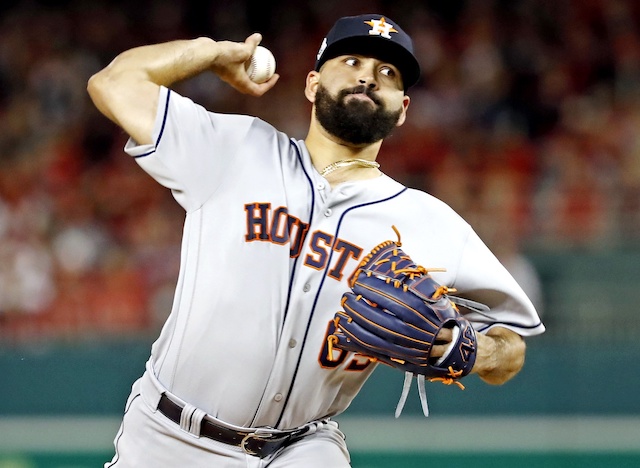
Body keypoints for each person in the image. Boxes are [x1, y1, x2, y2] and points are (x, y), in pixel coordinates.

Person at [88, 14, 544, 467]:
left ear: (402, 109)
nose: (368, 75)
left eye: (388, 73)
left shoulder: (430, 223)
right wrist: (210, 53)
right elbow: (113, 84)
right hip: (169, 438)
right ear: (311, 84)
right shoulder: (233, 149)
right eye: (351, 61)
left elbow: (514, 348)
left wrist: (471, 349)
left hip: (301, 449)